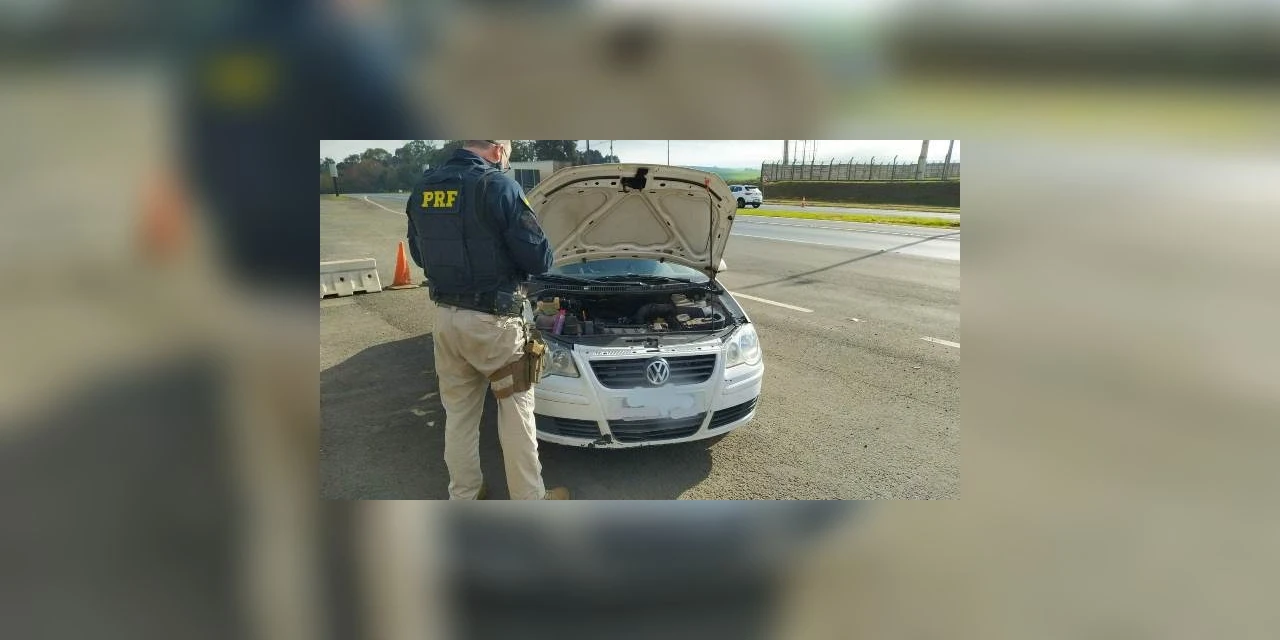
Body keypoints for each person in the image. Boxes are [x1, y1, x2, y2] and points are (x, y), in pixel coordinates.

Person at [406, 140, 569, 500]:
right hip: (494, 324)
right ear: (497, 150)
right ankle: (530, 499)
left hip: (446, 320)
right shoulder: (499, 186)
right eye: (507, 150)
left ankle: (465, 493)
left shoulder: (424, 187)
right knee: (515, 412)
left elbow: (418, 254)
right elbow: (540, 259)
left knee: (460, 413)